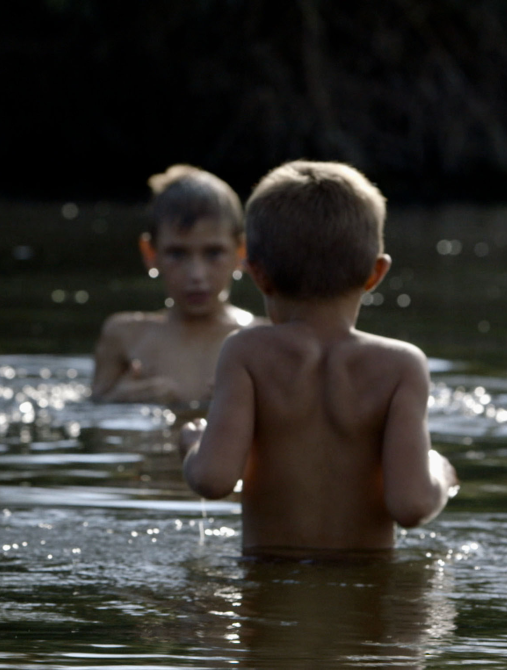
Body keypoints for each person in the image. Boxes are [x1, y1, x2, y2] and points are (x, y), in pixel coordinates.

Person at [179, 160, 458, 555]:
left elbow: (213, 478)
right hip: (370, 599)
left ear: (257, 274)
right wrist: (440, 471)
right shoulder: (401, 366)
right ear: (376, 274)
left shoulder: (246, 352)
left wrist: (194, 443)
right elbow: (412, 504)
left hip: (267, 588)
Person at [91, 165, 258, 405]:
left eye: (213, 253)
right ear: (151, 253)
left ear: (241, 252)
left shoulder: (261, 340)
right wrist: (119, 402)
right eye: (177, 254)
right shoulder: (125, 337)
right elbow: (94, 424)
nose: (196, 274)